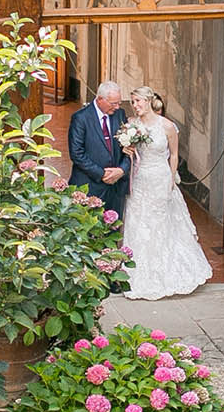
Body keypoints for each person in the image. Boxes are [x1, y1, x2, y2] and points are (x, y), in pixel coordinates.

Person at [121, 86, 213, 300]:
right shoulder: (131, 125)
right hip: (140, 178)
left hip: (160, 177)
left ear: (149, 101)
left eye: (138, 101)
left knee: (160, 223)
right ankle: (136, 273)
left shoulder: (167, 126)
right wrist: (127, 150)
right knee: (137, 222)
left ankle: (166, 272)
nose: (135, 106)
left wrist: (171, 179)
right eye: (133, 102)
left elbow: (173, 155)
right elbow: (128, 153)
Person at [67, 80, 132, 218]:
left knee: (112, 231)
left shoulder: (120, 114)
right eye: (113, 103)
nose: (117, 107)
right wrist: (102, 174)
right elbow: (76, 153)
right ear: (100, 99)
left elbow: (129, 148)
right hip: (90, 185)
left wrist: (121, 170)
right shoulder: (81, 118)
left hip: (115, 187)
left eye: (119, 103)